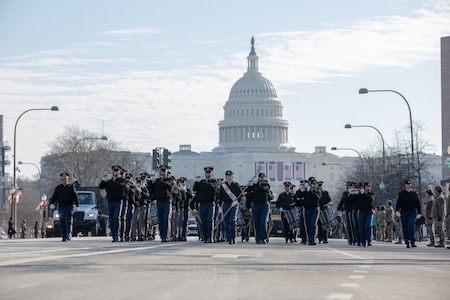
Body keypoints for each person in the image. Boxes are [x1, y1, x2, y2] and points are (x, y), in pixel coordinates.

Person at [99, 165, 127, 242]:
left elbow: (121, 186)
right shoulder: (109, 181)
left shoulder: (121, 180)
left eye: (117, 171)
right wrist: (103, 180)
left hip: (118, 201)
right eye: (114, 171)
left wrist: (112, 181)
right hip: (110, 201)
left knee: (116, 218)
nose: (115, 173)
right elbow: (101, 187)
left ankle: (119, 234)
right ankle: (114, 235)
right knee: (111, 219)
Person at [50, 172, 79, 242]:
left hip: (68, 206)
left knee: (68, 221)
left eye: (65, 179)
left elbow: (75, 196)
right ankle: (63, 236)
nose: (64, 181)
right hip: (61, 207)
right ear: (61, 180)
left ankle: (68, 234)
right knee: (62, 222)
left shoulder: (71, 187)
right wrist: (52, 203)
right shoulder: (58, 188)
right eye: (63, 179)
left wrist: (77, 205)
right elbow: (54, 197)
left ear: (67, 180)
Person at [150, 165, 176, 243]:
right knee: (160, 220)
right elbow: (152, 190)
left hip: (167, 201)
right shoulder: (157, 181)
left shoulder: (170, 180)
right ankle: (162, 236)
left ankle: (167, 236)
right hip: (159, 201)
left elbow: (167, 185)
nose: (163, 172)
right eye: (161, 171)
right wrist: (150, 182)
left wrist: (158, 181)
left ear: (167, 172)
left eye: (164, 171)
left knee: (166, 219)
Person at [193, 167, 218, 243]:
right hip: (202, 203)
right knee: (203, 221)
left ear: (211, 173)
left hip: (210, 203)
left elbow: (212, 187)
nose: (208, 174)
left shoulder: (214, 181)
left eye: (209, 173)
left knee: (209, 220)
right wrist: (197, 182)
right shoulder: (202, 182)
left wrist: (203, 182)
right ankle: (205, 237)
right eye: (207, 173)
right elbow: (195, 189)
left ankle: (210, 237)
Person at [247, 173, 272, 244]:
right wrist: (249, 184)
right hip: (256, 205)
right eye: (260, 177)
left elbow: (263, 189)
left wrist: (256, 185)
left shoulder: (266, 185)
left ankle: (264, 237)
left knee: (263, 222)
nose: (261, 179)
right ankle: (258, 238)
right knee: (256, 222)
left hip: (264, 205)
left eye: (262, 177)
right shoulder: (255, 185)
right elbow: (248, 190)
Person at [396, 179, 421, 248]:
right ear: (405, 185)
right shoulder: (401, 193)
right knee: (405, 227)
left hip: (412, 211)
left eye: (409, 184)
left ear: (411, 185)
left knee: (411, 226)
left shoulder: (414, 193)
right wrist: (397, 210)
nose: (408, 186)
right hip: (404, 211)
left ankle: (412, 241)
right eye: (407, 184)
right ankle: (407, 241)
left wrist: (419, 212)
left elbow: (417, 204)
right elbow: (398, 203)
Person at [218, 170, 241, 244]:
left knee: (233, 220)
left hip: (234, 204)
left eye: (230, 176)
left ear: (232, 176)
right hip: (226, 204)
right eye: (228, 176)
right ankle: (229, 238)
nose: (229, 177)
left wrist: (237, 201)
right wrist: (220, 207)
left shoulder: (236, 185)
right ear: (226, 177)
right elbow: (220, 197)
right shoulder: (223, 186)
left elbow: (240, 194)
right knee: (226, 222)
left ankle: (234, 237)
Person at [296, 177, 320, 245]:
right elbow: (297, 196)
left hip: (315, 210)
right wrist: (301, 190)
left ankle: (312, 240)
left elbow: (317, 197)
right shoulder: (305, 191)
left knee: (313, 225)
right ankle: (309, 239)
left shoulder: (317, 191)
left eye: (314, 183)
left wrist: (310, 191)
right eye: (312, 183)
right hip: (306, 209)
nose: (313, 185)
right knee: (307, 225)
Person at [357, 182, 375, 247]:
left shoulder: (371, 193)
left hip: (368, 211)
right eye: (367, 186)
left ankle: (369, 240)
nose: (368, 187)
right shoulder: (360, 194)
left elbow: (371, 199)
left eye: (369, 186)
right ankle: (363, 241)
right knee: (361, 227)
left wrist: (364, 194)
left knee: (367, 226)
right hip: (362, 211)